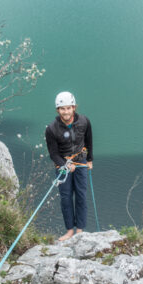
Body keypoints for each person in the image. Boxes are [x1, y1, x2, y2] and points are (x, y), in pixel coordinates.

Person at [45, 91, 93, 241]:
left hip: (80, 162)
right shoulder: (52, 129)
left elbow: (89, 141)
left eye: (68, 108)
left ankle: (79, 230)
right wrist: (64, 165)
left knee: (81, 195)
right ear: (58, 110)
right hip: (62, 165)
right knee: (66, 198)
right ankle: (69, 231)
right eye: (62, 109)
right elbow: (53, 153)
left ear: (74, 107)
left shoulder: (84, 121)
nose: (65, 112)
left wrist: (90, 160)